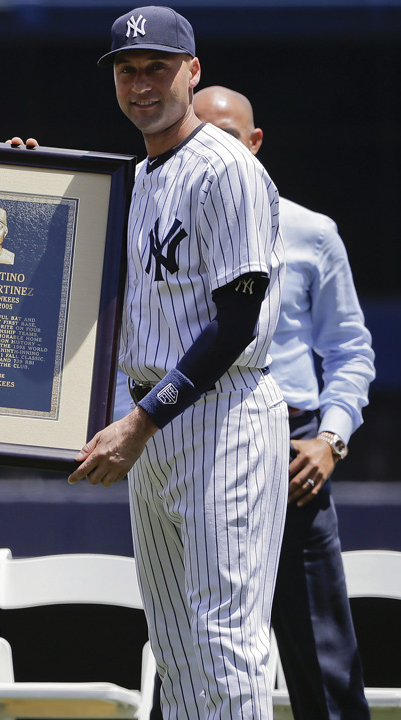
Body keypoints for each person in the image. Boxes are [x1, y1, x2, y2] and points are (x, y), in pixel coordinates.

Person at [70, 7, 288, 719]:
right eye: (127, 70)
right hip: (156, 420)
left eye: (157, 67)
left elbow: (239, 321)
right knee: (175, 644)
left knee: (224, 637)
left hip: (219, 414)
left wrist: (142, 419)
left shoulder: (225, 169)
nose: (140, 83)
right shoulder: (141, 177)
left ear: (192, 71)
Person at [188, 85, 372, 720]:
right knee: (189, 645)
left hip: (293, 450)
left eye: (230, 139)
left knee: (323, 655)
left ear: (255, 143)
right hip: (196, 441)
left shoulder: (310, 232)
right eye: (202, 142)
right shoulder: (162, 225)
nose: (217, 157)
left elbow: (350, 350)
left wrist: (332, 438)